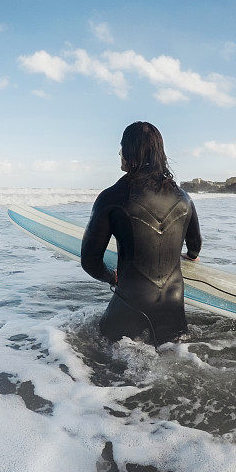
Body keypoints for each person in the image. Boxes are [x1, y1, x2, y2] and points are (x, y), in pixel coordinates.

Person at [81, 121, 202, 345]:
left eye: (122, 147)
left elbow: (90, 261)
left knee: (101, 362)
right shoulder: (184, 198)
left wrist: (110, 276)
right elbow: (195, 245)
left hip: (130, 307)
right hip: (173, 307)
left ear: (129, 152)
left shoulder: (112, 197)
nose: (119, 153)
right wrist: (191, 256)